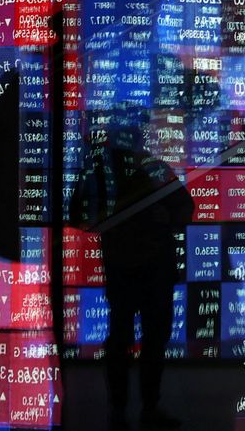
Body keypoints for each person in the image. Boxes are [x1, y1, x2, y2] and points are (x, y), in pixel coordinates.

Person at [71, 119, 194, 430]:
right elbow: (184, 209)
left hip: (127, 267)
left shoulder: (103, 171)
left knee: (125, 339)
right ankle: (145, 409)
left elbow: (78, 213)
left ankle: (121, 411)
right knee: (149, 340)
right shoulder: (151, 167)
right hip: (150, 269)